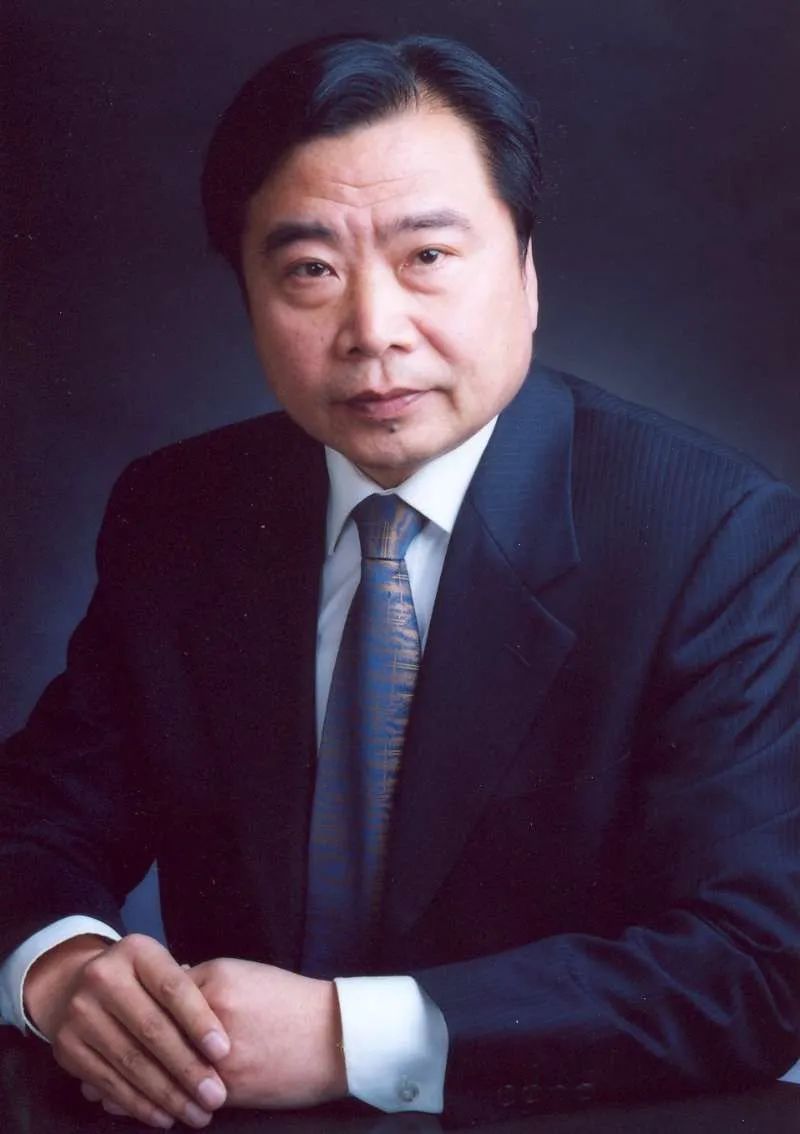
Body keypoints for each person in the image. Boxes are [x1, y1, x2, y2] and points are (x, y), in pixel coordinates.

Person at [1, 31, 799, 1132]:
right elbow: (36, 820)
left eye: (427, 256)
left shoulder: (711, 534)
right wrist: (62, 968)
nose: (372, 332)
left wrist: (347, 1035)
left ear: (525, 273)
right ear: (247, 294)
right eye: (310, 271)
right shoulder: (180, 513)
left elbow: (753, 965)